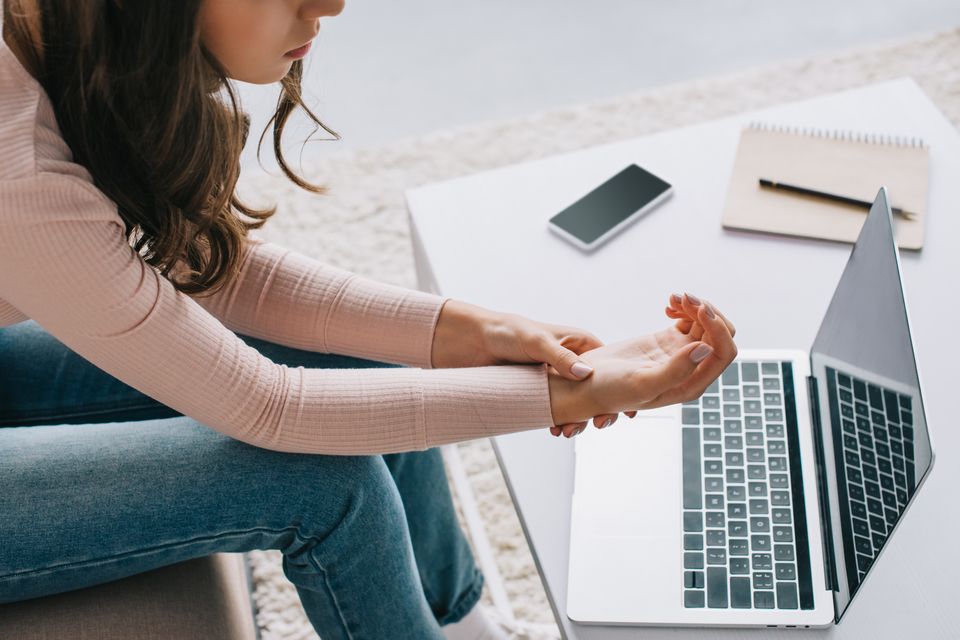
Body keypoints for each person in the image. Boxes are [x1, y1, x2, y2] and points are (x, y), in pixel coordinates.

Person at [0, 1, 738, 638]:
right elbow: (266, 407)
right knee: (326, 485)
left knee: (368, 369)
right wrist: (575, 391)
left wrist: (475, 332)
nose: (331, 4)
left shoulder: (66, 42)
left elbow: (215, 270)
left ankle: (464, 628)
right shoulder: (24, 179)